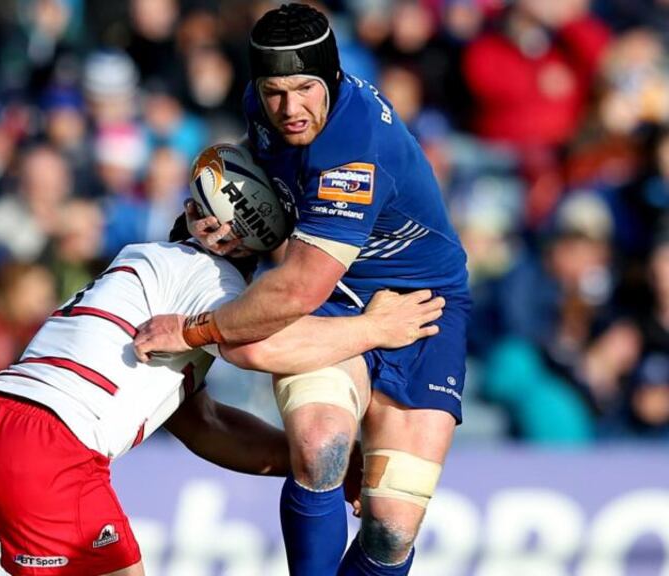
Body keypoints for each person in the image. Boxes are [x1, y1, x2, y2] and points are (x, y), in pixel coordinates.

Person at [0, 214, 444, 576]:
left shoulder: (146, 270)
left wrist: (315, 463)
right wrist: (375, 329)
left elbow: (205, 425)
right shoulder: (212, 276)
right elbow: (265, 342)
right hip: (51, 445)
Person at [133, 5, 471, 576]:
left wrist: (190, 330)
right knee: (318, 447)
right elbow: (284, 211)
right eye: (274, 91)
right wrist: (225, 229)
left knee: (390, 531)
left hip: (421, 306)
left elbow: (296, 290)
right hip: (339, 297)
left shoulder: (354, 144)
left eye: (305, 88)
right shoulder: (260, 112)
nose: (290, 109)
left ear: (333, 79)